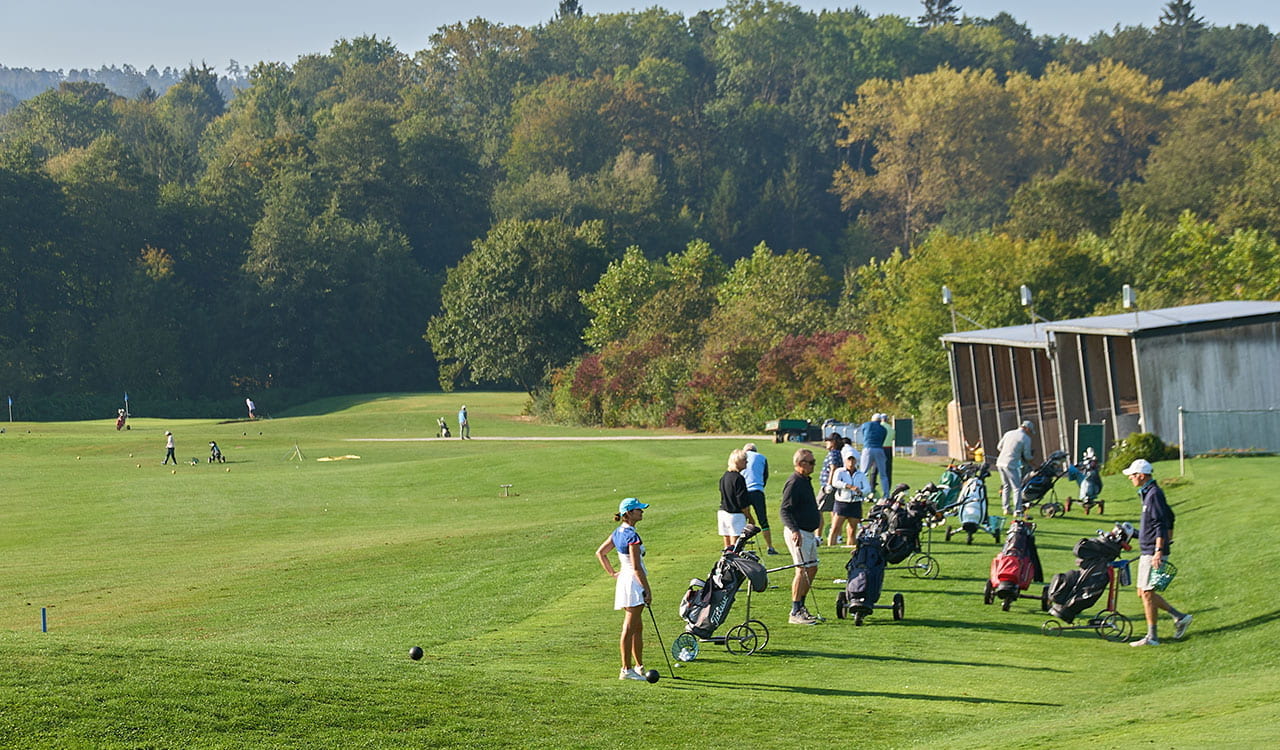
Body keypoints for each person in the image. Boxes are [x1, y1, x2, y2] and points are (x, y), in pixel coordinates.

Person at [1125, 459, 1193, 647]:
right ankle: (1180, 617)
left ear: (1141, 475)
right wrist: (1134, 534)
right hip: (1149, 548)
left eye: (1132, 475)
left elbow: (1161, 524)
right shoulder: (1148, 493)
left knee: (1147, 593)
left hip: (1152, 552)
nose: (1130, 478)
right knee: (1142, 592)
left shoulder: (1153, 494)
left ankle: (1152, 637)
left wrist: (1159, 550)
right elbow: (1170, 517)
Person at [595, 498, 653, 680]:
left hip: (625, 580)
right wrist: (647, 590)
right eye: (638, 510)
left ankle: (639, 666)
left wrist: (613, 573)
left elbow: (601, 553)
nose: (642, 512)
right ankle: (626, 670)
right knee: (629, 627)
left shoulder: (618, 532)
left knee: (637, 627)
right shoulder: (632, 537)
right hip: (634, 583)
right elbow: (636, 567)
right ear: (628, 514)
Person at [780, 448, 822, 625]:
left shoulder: (805, 480)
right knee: (801, 570)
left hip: (808, 532)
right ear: (800, 464)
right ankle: (795, 611)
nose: (814, 465)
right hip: (798, 533)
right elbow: (784, 510)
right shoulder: (794, 482)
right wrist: (794, 530)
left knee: (812, 569)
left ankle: (802, 606)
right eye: (811, 462)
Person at [742, 443, 777, 554]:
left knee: (743, 520)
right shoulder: (762, 457)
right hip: (757, 491)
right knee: (763, 521)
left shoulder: (741, 456)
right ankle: (770, 547)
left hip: (743, 492)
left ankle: (741, 547)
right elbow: (765, 475)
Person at [829, 453, 870, 548]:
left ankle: (850, 548)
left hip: (855, 503)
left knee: (852, 529)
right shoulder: (840, 471)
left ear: (856, 461)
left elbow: (867, 489)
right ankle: (830, 547)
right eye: (849, 460)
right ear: (845, 461)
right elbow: (835, 482)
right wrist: (848, 486)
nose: (851, 462)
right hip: (842, 503)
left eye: (853, 460)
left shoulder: (861, 474)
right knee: (835, 528)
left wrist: (860, 492)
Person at [996, 420, 1036, 515]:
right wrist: (1032, 461)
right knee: (1017, 488)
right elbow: (1027, 456)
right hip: (1011, 464)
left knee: (1006, 486)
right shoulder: (1025, 438)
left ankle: (1006, 508)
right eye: (1030, 431)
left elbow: (999, 447)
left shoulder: (1008, 433)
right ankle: (1017, 511)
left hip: (1000, 462)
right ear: (1026, 428)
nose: (1030, 433)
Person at [718, 449, 752, 548]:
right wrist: (750, 518)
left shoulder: (724, 477)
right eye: (744, 460)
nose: (746, 462)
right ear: (737, 462)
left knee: (727, 548)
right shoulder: (738, 478)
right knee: (736, 547)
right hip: (735, 515)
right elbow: (742, 502)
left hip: (723, 513)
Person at [816, 434, 843, 542]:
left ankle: (818, 536)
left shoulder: (833, 453)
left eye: (828, 441)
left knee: (818, 509)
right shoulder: (837, 453)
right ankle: (837, 536)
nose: (826, 443)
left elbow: (833, 468)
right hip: (833, 485)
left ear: (834, 442)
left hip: (828, 486)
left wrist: (829, 484)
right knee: (833, 511)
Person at [860, 414, 890, 498]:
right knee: (883, 474)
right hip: (879, 450)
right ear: (880, 420)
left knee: (863, 472)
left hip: (867, 448)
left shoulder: (866, 425)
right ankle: (886, 494)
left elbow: (863, 434)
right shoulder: (883, 429)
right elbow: (882, 440)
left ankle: (861, 492)